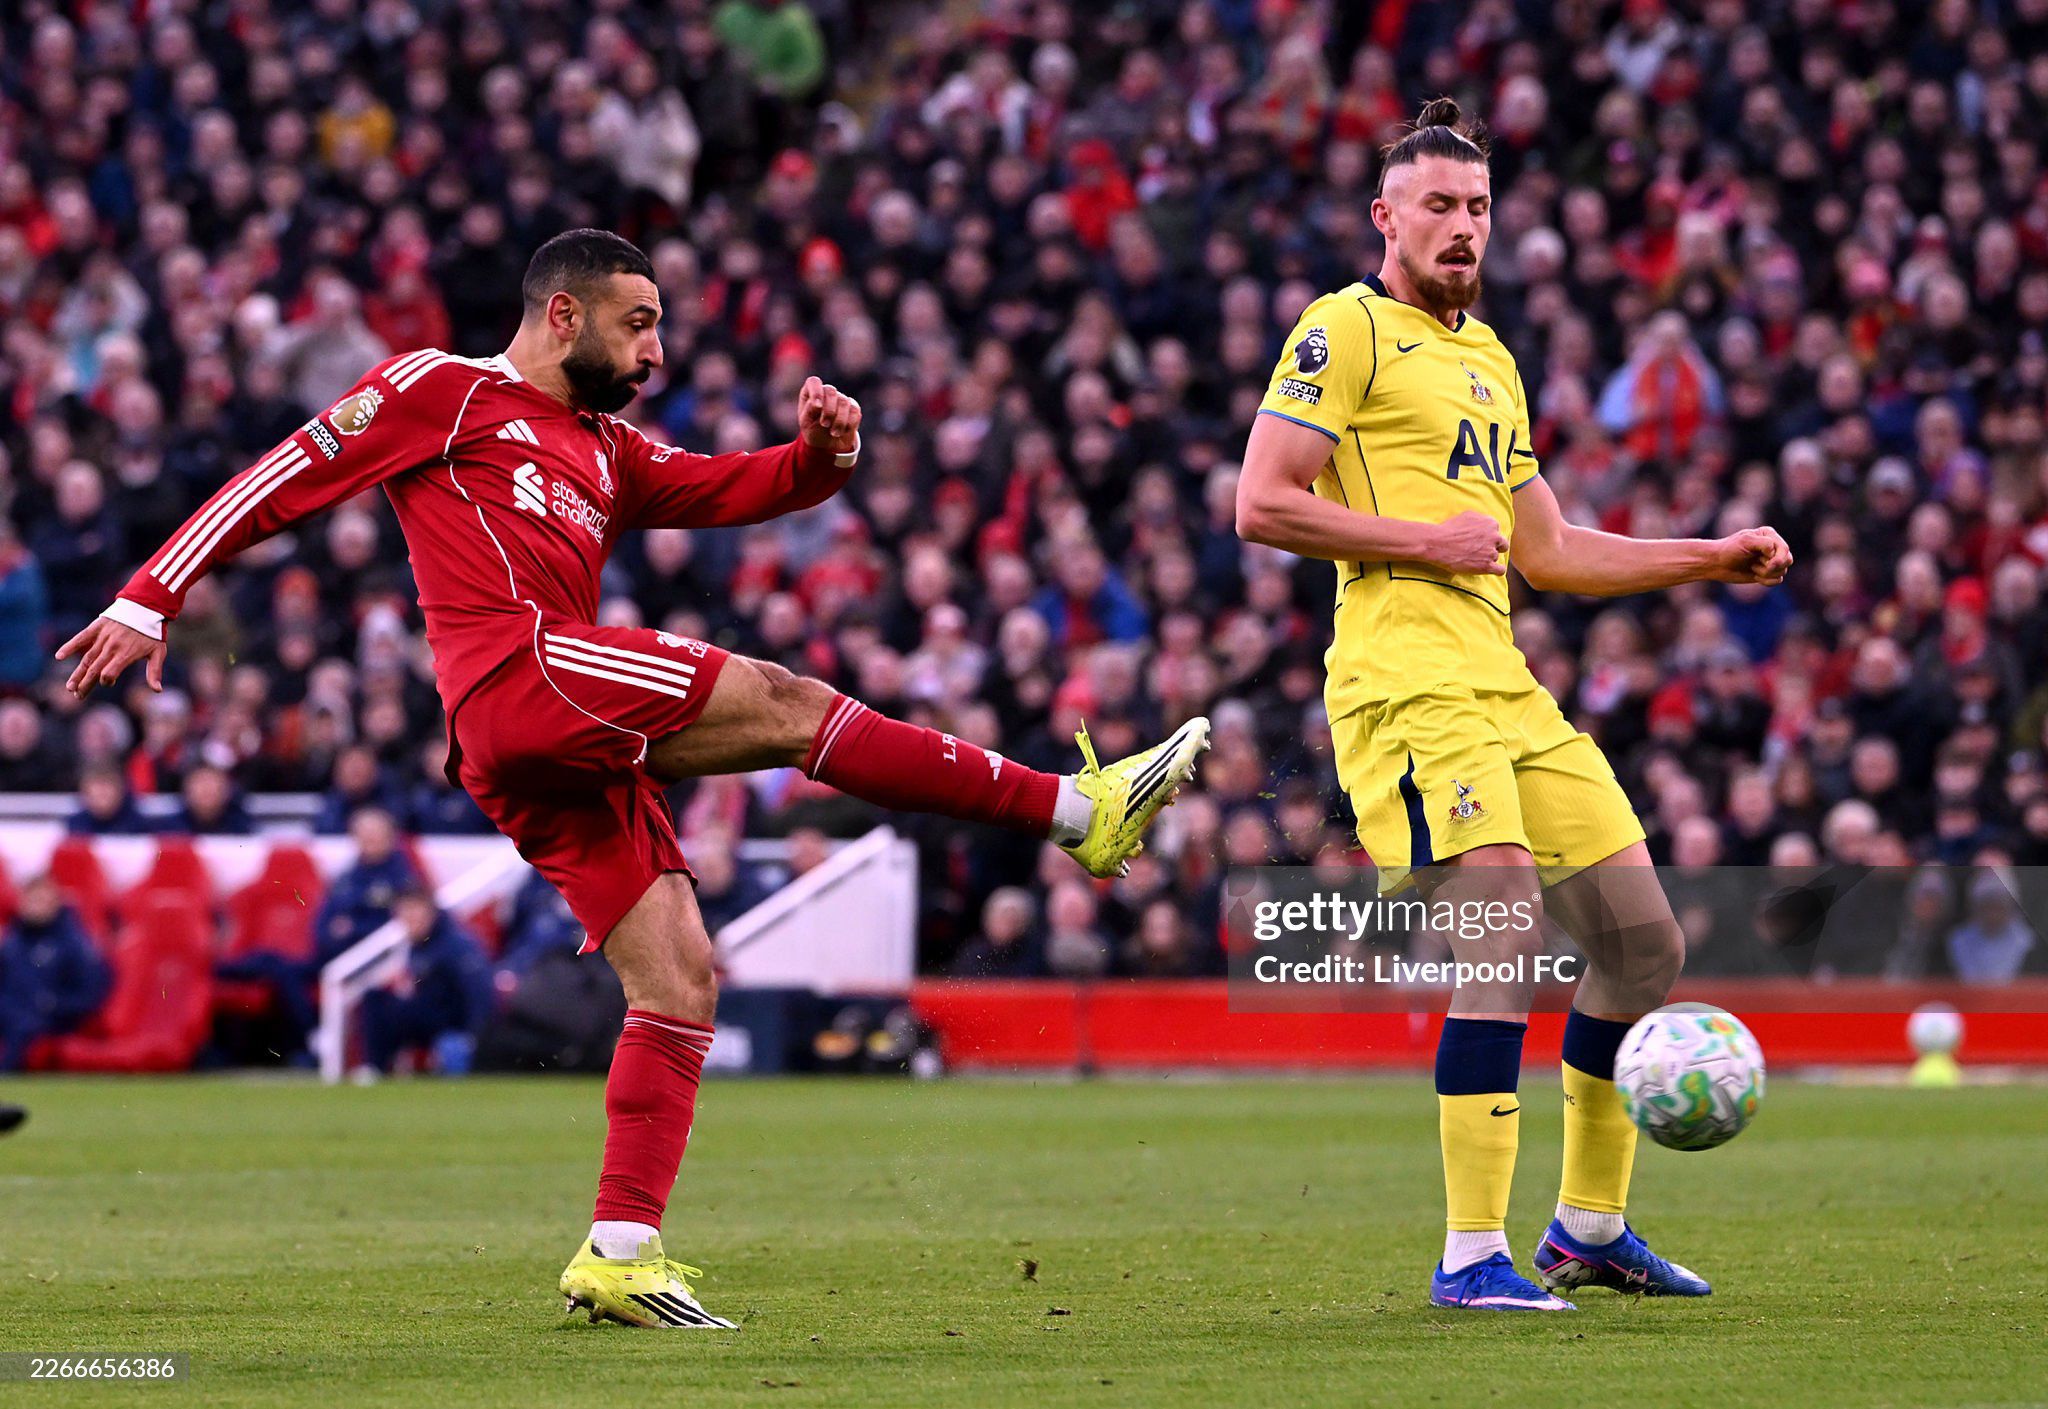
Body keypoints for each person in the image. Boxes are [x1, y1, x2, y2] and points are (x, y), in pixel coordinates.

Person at [57, 228, 1208, 1330]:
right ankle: (1075, 809)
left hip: (549, 741)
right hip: (520, 671)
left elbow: (732, 489)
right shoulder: (440, 388)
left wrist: (821, 456)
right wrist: (148, 592)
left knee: (679, 976)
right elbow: (289, 472)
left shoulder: (606, 448)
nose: (658, 351)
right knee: (782, 697)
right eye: (639, 323)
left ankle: (618, 1251)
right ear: (563, 314)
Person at [1235, 100, 1792, 1313]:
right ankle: (1467, 1251)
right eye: (1436, 205)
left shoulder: (1489, 358)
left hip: (1505, 681)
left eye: (1477, 208)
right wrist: (1420, 537)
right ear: (1384, 217)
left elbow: (1544, 550)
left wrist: (1710, 555)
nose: (1460, 227)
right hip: (1401, 675)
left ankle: (1586, 1227)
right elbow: (1262, 502)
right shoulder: (1343, 329)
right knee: (1495, 916)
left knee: (1642, 944)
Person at [355, 888, 495, 1077]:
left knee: (391, 1008)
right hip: (428, 1016)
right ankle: (374, 1067)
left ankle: (378, 1067)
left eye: (415, 912)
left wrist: (474, 1037)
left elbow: (478, 992)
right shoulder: (416, 945)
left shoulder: (456, 944)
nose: (410, 920)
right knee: (375, 997)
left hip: (451, 1022)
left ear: (430, 912)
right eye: (405, 914)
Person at [0, 876, 113, 1071]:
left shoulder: (75, 946)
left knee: (22, 1027)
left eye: (41, 901)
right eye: (31, 901)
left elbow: (90, 993)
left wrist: (53, 1004)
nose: (35, 908)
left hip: (51, 1019)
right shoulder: (11, 943)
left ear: (55, 904)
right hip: (11, 1013)